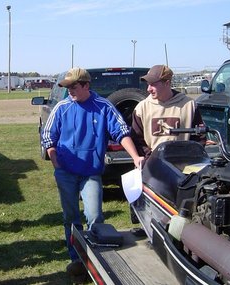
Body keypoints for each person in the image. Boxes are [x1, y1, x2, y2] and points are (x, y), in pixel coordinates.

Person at [41, 67, 144, 282]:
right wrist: (56, 162)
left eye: (74, 86)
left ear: (87, 85)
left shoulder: (103, 107)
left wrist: (135, 156)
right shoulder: (61, 108)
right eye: (67, 87)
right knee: (70, 217)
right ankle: (77, 259)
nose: (70, 91)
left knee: (95, 216)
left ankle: (98, 258)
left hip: (91, 174)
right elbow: (48, 137)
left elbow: (121, 132)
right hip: (66, 173)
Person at [131, 65, 206, 159]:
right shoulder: (141, 108)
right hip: (153, 165)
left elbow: (199, 137)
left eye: (153, 84)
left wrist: (188, 157)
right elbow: (137, 140)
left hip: (183, 165)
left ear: (167, 83)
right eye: (148, 84)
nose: (148, 89)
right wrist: (151, 158)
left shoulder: (189, 105)